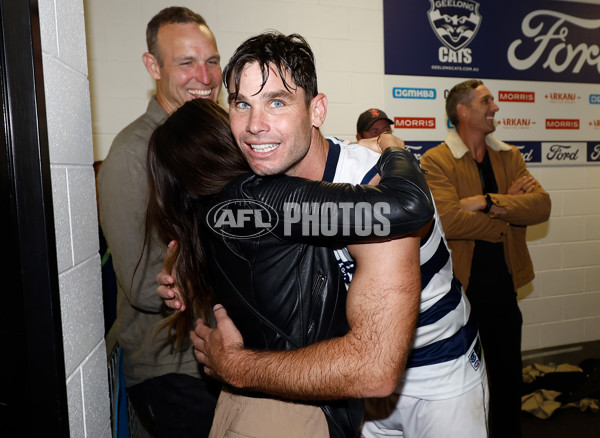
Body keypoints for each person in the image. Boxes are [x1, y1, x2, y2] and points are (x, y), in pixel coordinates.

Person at [159, 32, 489, 438]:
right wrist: (186, 271)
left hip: (435, 373)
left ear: (316, 111)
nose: (255, 125)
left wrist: (237, 365)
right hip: (342, 388)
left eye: (277, 102)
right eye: (242, 104)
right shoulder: (263, 182)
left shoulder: (371, 184)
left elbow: (373, 367)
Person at [148, 97, 434, 438]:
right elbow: (408, 204)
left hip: (241, 407)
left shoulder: (207, 218)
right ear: (223, 138)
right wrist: (393, 147)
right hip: (289, 413)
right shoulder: (266, 202)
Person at [97, 7, 222, 437]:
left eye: (211, 60)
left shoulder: (221, 141)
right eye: (186, 62)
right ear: (153, 66)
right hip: (170, 368)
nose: (204, 77)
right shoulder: (132, 155)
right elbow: (142, 282)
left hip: (224, 355)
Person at [420, 79, 551, 438]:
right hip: (459, 293)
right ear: (462, 111)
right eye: (486, 101)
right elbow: (446, 220)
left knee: (509, 380)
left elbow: (541, 206)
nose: (495, 108)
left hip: (503, 291)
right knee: (465, 384)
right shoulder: (436, 160)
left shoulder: (510, 156)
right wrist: (504, 214)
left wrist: (488, 201)